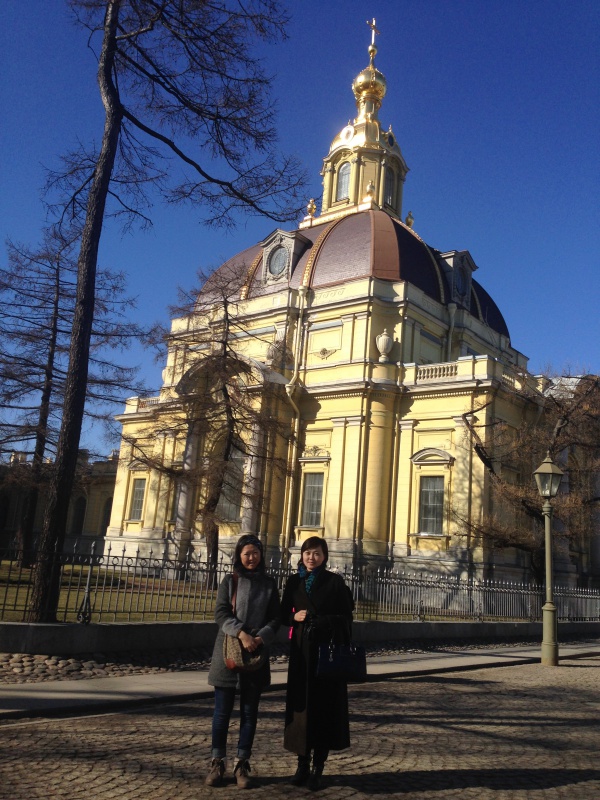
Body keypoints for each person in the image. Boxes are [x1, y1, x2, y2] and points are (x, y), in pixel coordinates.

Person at [205, 534, 281, 788]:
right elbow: (221, 613)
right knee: (221, 713)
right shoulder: (230, 580)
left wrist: (260, 638)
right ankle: (217, 762)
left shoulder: (269, 584)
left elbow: (276, 618)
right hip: (228, 651)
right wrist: (241, 633)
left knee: (249, 713)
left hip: (255, 654)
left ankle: (242, 763)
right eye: (247, 553)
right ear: (239, 555)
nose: (251, 557)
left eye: (255, 553)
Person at [280, 536, 354, 791]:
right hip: (302, 653)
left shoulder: (335, 582)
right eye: (308, 553)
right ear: (301, 555)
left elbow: (347, 617)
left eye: (317, 553)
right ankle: (302, 764)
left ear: (324, 556)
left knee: (323, 709)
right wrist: (294, 617)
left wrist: (326, 621)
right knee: (301, 710)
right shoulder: (294, 581)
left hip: (325, 653)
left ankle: (318, 767)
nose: (312, 558)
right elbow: (282, 613)